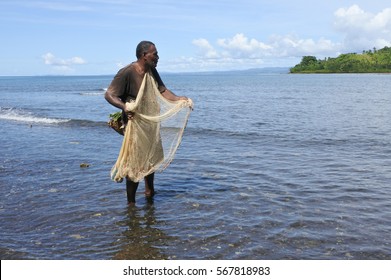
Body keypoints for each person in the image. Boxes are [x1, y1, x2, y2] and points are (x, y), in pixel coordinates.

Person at [105, 41, 190, 205]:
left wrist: (180, 99)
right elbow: (109, 95)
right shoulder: (127, 72)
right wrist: (124, 107)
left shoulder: (151, 71)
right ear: (144, 55)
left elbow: (163, 91)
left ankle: (149, 193)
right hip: (134, 124)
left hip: (150, 123)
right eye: (155, 53)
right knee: (134, 163)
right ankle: (131, 204)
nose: (157, 57)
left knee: (150, 159)